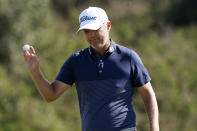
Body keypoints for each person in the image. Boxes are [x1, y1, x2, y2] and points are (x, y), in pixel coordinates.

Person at [23, 7, 159, 131]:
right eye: (87, 31)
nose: (92, 35)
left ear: (108, 26)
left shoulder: (128, 58)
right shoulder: (76, 61)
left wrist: (154, 127)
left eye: (96, 29)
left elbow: (148, 94)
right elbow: (51, 95)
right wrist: (35, 72)